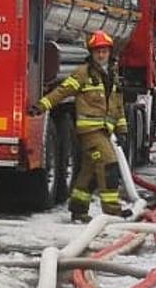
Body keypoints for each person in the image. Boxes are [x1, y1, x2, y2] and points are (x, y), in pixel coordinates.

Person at [28, 31, 130, 222]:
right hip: (90, 132)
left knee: (89, 171)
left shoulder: (112, 75)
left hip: (105, 131)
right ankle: (112, 211)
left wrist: (122, 130)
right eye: (98, 51)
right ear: (91, 53)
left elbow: (118, 106)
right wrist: (41, 106)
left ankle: (78, 208)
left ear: (110, 52)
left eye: (104, 51)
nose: (101, 55)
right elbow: (62, 91)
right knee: (108, 165)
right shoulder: (83, 73)